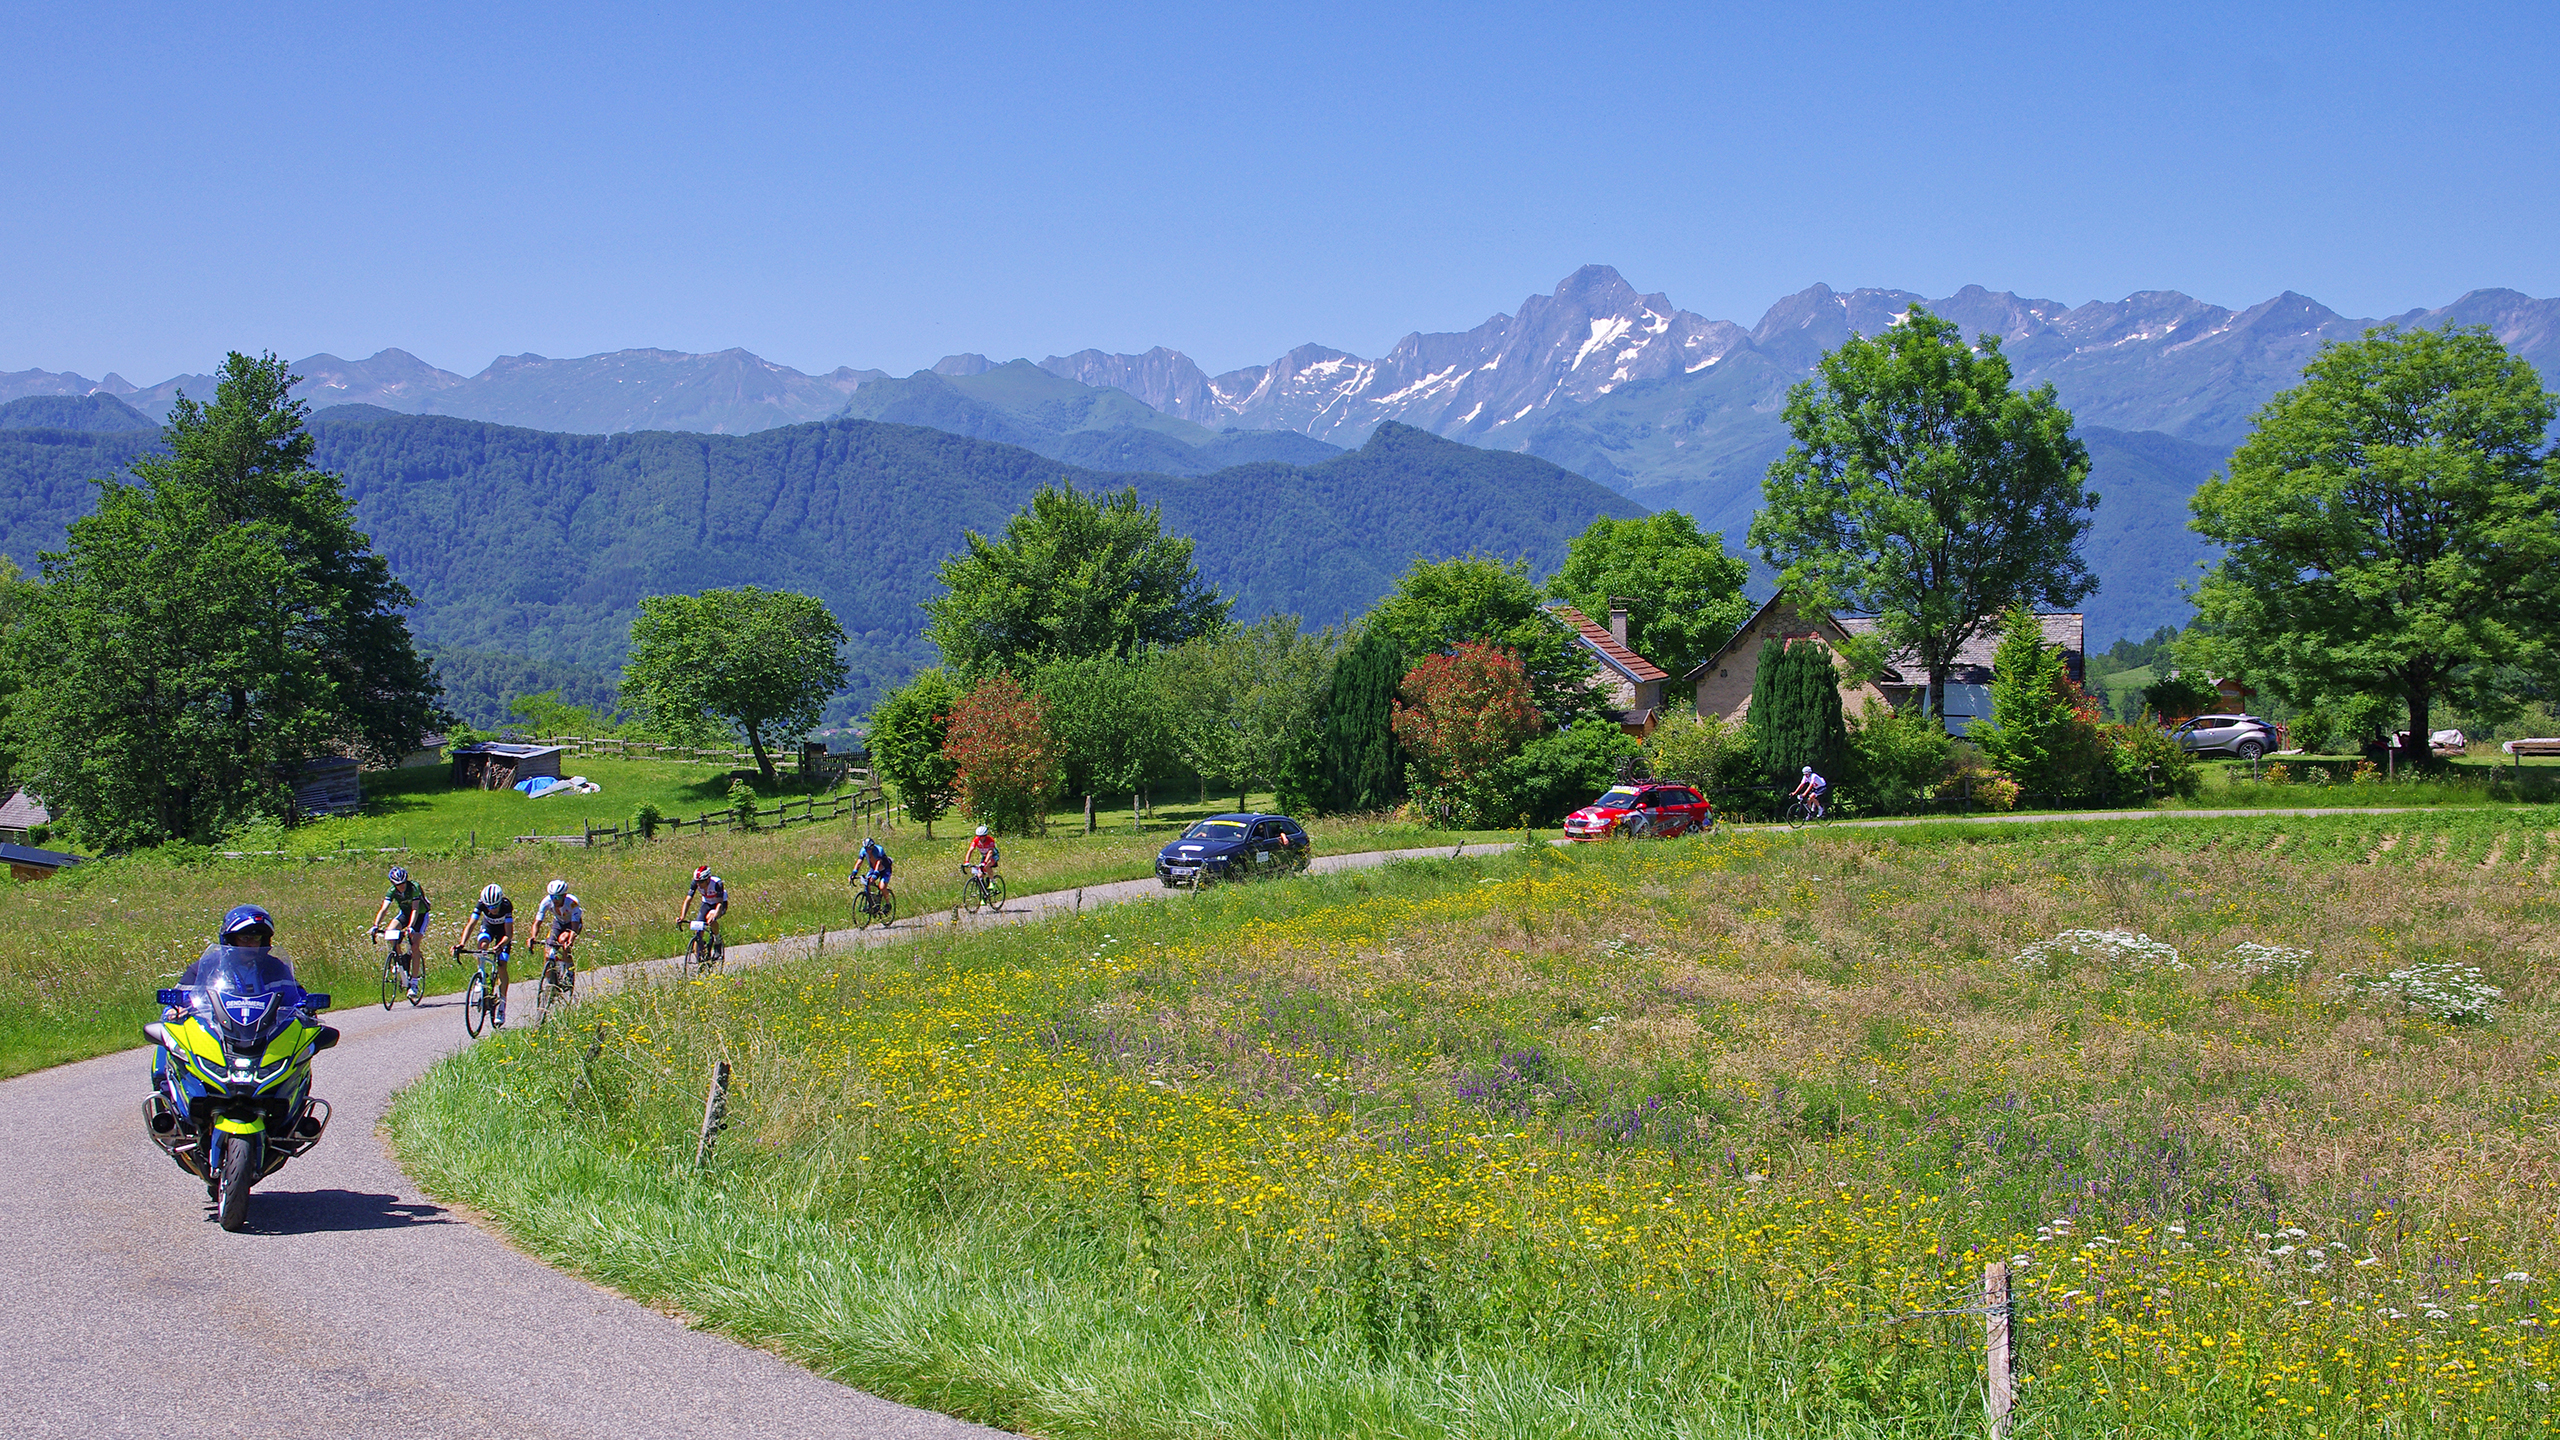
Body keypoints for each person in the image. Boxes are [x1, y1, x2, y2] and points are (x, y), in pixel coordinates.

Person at [456, 883, 516, 1027]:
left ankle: (502, 1006)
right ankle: (480, 975)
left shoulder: (507, 906)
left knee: (501, 965)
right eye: (489, 907)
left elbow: (509, 934)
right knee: (482, 945)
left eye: (495, 906)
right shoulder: (481, 905)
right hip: (488, 927)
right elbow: (471, 924)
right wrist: (462, 944)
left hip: (503, 934)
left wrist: (500, 946)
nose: (492, 909)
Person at [368, 866, 430, 1002]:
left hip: (419, 916)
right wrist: (375, 925)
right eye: (397, 885)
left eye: (402, 884)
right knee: (390, 933)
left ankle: (414, 983)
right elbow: (384, 909)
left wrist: (410, 927)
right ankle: (399, 960)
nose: (401, 887)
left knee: (414, 945)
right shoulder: (392, 891)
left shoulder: (414, 887)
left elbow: (414, 909)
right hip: (404, 914)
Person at [535, 879, 583, 990]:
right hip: (558, 923)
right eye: (553, 897)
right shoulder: (546, 901)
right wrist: (533, 937)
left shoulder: (572, 902)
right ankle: (552, 983)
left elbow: (575, 924)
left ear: (564, 895)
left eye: (558, 897)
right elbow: (537, 922)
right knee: (547, 952)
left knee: (563, 940)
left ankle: (569, 973)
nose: (555, 900)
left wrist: (570, 940)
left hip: (572, 924)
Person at [680, 865, 728, 951]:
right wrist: (682, 917)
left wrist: (715, 916)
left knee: (710, 917)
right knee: (698, 929)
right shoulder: (696, 883)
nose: (698, 884)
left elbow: (720, 903)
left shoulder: (717, 883)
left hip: (719, 904)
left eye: (701, 882)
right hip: (706, 903)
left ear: (708, 879)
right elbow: (688, 900)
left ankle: (717, 941)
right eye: (697, 882)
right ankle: (700, 957)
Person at [852, 836, 892, 909]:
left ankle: (887, 904)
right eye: (866, 848)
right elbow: (859, 862)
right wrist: (853, 873)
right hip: (873, 869)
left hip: (885, 869)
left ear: (872, 847)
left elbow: (878, 862)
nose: (867, 850)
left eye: (869, 848)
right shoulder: (863, 851)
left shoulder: (879, 850)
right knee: (867, 883)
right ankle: (871, 903)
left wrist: (875, 875)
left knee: (882, 887)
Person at [959, 824, 999, 895]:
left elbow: (990, 852)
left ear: (986, 835)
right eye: (979, 836)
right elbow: (970, 850)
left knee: (987, 865)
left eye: (982, 836)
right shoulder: (976, 840)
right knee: (979, 876)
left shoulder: (990, 840)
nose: (980, 838)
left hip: (993, 856)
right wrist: (967, 861)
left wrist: (985, 862)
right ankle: (984, 894)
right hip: (984, 856)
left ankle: (992, 881)